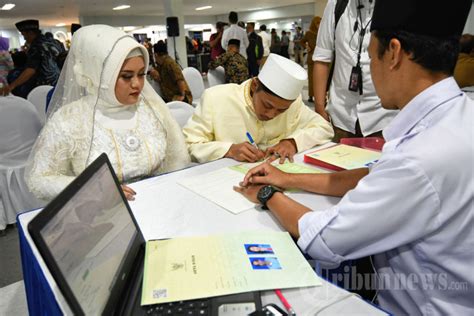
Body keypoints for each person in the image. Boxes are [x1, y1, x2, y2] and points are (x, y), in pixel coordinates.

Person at [235, 0, 473, 314]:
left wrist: (268, 194)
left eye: (371, 56)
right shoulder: (460, 114)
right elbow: (377, 177)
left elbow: (325, 238)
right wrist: (289, 177)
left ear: (394, 53)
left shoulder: (418, 158)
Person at [26, 25, 190, 202]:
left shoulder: (151, 110)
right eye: (126, 76)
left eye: (141, 74)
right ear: (99, 75)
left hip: (158, 202)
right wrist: (92, 189)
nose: (137, 84)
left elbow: (177, 157)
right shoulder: (69, 119)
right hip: (100, 211)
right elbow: (39, 179)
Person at [183, 53, 333, 163]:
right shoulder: (216, 99)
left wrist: (292, 142)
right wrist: (229, 150)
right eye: (268, 105)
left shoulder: (293, 104)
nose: (272, 114)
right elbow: (189, 146)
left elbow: (324, 128)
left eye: (281, 110)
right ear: (255, 86)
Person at [313, 1, 398, 142]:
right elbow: (322, 58)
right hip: (340, 117)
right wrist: (320, 109)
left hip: (384, 119)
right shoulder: (336, 5)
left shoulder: (394, 7)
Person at [1, 20, 60, 96]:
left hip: (44, 87)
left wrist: (11, 86)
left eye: (24, 35)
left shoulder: (35, 47)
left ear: (31, 33)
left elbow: (30, 70)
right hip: (59, 82)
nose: (24, 38)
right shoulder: (56, 42)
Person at [150, 40, 193, 105]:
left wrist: (182, 96)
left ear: (155, 55)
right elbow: (153, 71)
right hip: (169, 97)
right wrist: (153, 71)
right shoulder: (161, 64)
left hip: (180, 97)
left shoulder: (170, 63)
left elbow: (180, 80)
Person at [300, 16, 321, 103]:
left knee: (320, 79)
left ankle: (319, 96)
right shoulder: (309, 33)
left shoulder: (323, 32)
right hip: (311, 58)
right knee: (311, 78)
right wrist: (306, 47)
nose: (319, 25)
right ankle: (310, 95)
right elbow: (302, 41)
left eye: (320, 23)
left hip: (321, 58)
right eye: (317, 23)